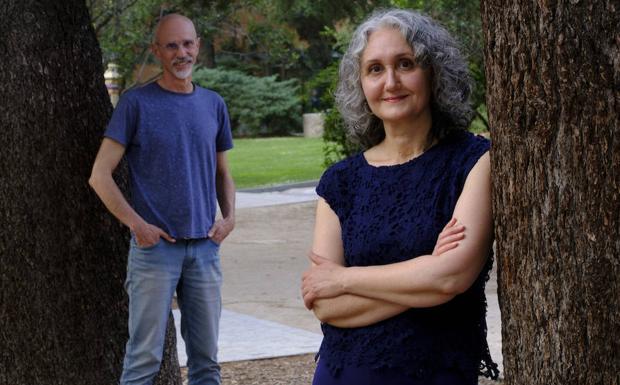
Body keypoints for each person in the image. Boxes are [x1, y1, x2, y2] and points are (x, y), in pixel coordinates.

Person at [301, 9, 499, 385]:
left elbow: (450, 278)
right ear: (360, 84)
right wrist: (424, 273)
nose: (390, 81)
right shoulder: (340, 182)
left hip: (433, 372)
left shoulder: (473, 162)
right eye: (375, 69)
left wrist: (345, 279)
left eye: (405, 64)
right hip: (342, 374)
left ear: (433, 72)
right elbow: (325, 303)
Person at [89, 14, 235, 385]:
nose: (181, 53)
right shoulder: (135, 104)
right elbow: (99, 175)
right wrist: (137, 226)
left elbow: (223, 173)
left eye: (187, 44)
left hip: (205, 249)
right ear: (157, 51)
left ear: (198, 45)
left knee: (206, 363)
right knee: (142, 361)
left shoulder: (214, 104)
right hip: (155, 252)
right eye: (171, 46)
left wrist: (229, 217)